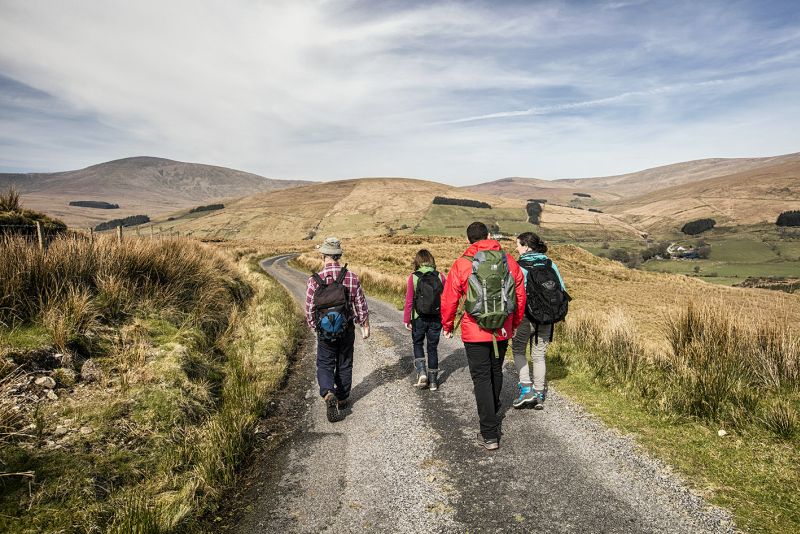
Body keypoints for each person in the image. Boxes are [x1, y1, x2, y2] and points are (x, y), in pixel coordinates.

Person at [441, 222, 526, 450]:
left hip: (474, 329)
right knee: (495, 370)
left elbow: (449, 298)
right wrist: (514, 323)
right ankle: (494, 406)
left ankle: (489, 433)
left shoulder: (462, 264)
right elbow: (519, 294)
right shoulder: (508, 261)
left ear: (468, 240)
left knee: (481, 378)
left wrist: (447, 325)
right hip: (502, 328)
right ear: (489, 236)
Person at [305, 237, 370, 423]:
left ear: (323, 256)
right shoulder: (350, 277)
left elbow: (309, 308)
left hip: (325, 332)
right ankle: (341, 398)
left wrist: (314, 326)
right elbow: (360, 304)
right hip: (346, 329)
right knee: (344, 363)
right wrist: (362, 322)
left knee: (325, 363)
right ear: (339, 255)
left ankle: (327, 393)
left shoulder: (314, 280)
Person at [511, 232, 566, 410]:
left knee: (518, 349)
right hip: (547, 316)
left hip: (525, 316)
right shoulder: (550, 264)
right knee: (539, 355)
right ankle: (539, 393)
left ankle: (526, 390)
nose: (516, 248)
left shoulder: (519, 265)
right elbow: (561, 290)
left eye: (518, 245)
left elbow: (514, 294)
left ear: (526, 246)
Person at [403, 249, 446, 391]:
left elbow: (409, 301)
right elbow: (445, 300)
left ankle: (422, 372)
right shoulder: (440, 276)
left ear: (418, 261)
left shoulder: (413, 277)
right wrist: (446, 320)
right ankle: (433, 382)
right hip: (436, 317)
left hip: (418, 317)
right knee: (432, 348)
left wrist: (406, 319)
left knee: (417, 343)